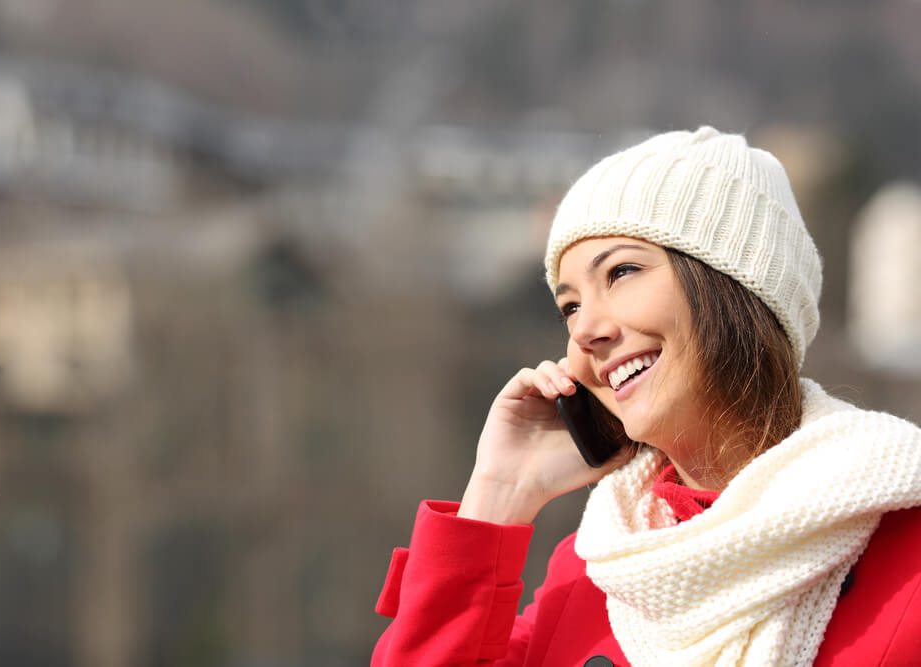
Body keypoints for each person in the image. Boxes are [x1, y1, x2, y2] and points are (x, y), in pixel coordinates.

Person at [371, 127, 921, 666]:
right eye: (570, 307)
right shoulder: (601, 569)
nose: (584, 332)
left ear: (734, 285)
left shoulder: (901, 546)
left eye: (622, 271)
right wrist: (498, 493)